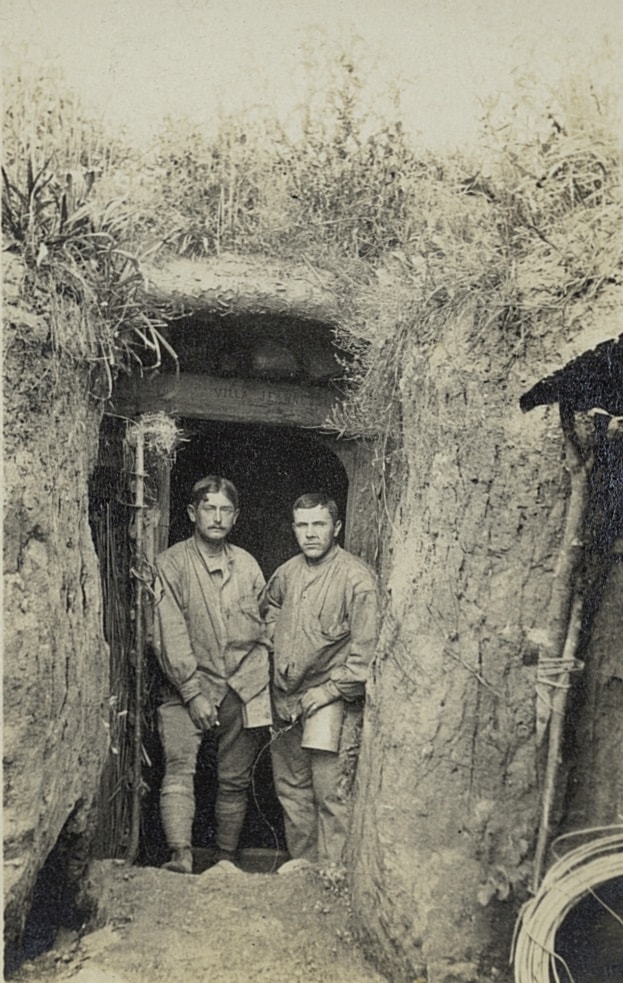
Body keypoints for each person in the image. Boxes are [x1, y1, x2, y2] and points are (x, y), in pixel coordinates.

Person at [152, 475, 271, 874]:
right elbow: (168, 632)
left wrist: (252, 678)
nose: (217, 518)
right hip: (186, 687)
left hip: (240, 685)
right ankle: (180, 856)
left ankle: (225, 860)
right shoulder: (171, 564)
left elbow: (266, 622)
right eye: (209, 508)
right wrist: (192, 692)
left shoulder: (248, 565)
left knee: (234, 779)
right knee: (179, 768)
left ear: (235, 517)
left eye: (225, 510)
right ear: (192, 513)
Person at [263, 492, 379, 866]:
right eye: (303, 525)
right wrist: (275, 638)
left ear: (336, 527)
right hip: (285, 699)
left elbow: (364, 659)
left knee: (330, 794)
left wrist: (327, 692)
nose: (310, 533)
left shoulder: (357, 580)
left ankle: (329, 876)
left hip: (329, 703)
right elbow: (269, 608)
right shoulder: (287, 573)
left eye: (319, 524)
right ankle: (304, 870)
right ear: (294, 528)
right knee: (291, 790)